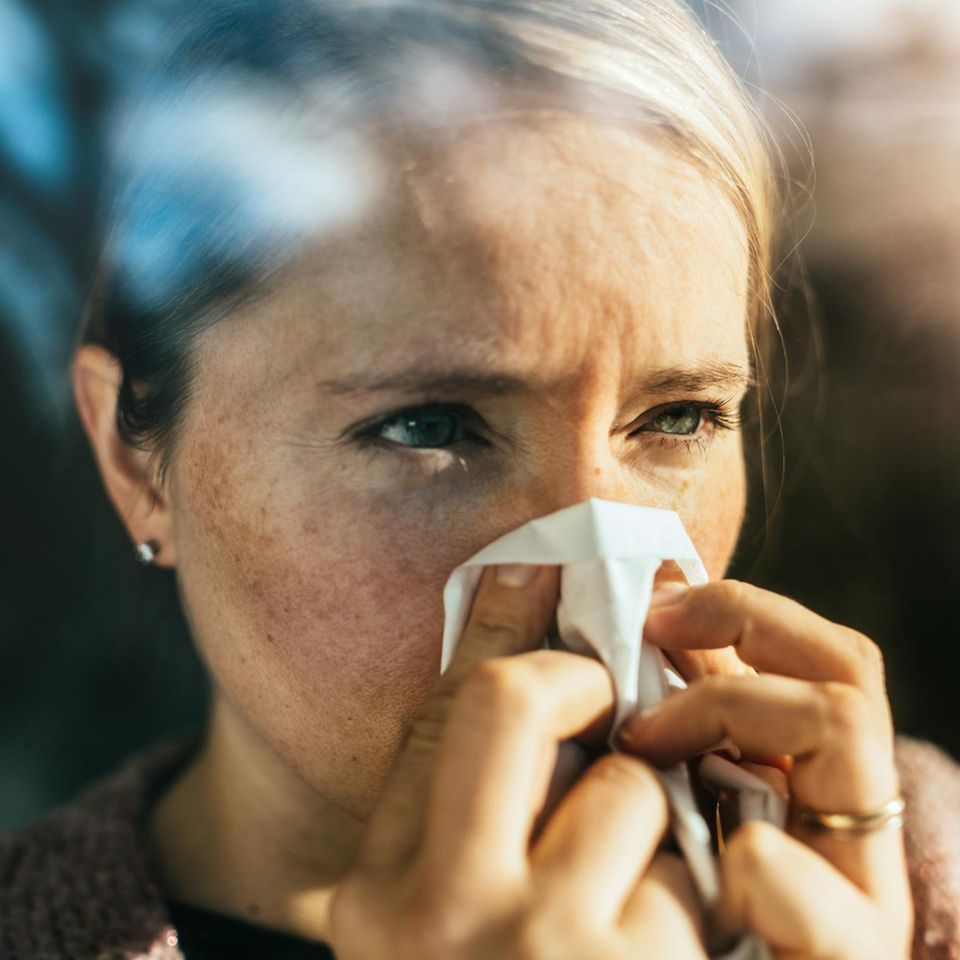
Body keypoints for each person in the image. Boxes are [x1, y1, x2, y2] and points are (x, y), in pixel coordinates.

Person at [2, 1, 959, 958]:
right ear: (137, 465)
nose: (594, 576)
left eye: (678, 418)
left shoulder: (917, 882)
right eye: (428, 426)